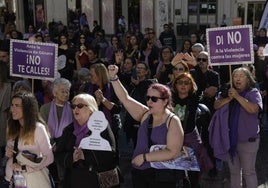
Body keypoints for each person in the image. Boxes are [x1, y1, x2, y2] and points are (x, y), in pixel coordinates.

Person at [108, 64, 184, 188]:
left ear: (165, 101)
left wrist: (144, 157)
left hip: (163, 175)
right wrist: (114, 77)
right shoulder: (145, 114)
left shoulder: (173, 121)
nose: (149, 101)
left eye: (154, 99)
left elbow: (173, 152)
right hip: (140, 173)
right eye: (148, 98)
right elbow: (125, 98)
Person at [211, 67, 262, 188]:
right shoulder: (226, 91)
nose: (237, 79)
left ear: (247, 78)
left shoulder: (253, 92)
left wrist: (238, 97)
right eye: (235, 76)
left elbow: (253, 109)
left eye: (241, 76)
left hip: (248, 141)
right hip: (230, 140)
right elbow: (216, 105)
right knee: (234, 173)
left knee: (248, 172)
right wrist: (229, 98)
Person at [54, 93, 118, 188]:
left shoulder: (101, 126)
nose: (75, 109)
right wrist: (72, 157)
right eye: (73, 106)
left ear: (91, 110)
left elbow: (111, 154)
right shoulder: (69, 129)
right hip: (75, 180)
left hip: (97, 180)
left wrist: (85, 156)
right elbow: (58, 155)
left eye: (80, 106)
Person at [172, 72, 213, 188]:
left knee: (193, 173)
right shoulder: (170, 98)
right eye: (180, 82)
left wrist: (195, 65)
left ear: (191, 86)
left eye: (187, 83)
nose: (183, 85)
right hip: (173, 138)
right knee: (176, 171)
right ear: (175, 85)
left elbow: (202, 80)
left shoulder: (193, 98)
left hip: (190, 137)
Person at [4, 92, 54, 187]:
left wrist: (25, 168)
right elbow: (9, 147)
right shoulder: (13, 127)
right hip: (14, 180)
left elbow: (49, 158)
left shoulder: (38, 128)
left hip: (33, 181)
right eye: (12, 105)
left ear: (27, 109)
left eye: (17, 105)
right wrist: (8, 152)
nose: (12, 109)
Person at [40, 78, 73, 187]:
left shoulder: (73, 108)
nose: (66, 94)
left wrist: (61, 145)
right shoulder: (45, 108)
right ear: (54, 93)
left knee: (64, 180)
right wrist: (53, 143)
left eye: (67, 91)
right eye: (62, 91)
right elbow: (43, 128)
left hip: (66, 149)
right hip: (48, 147)